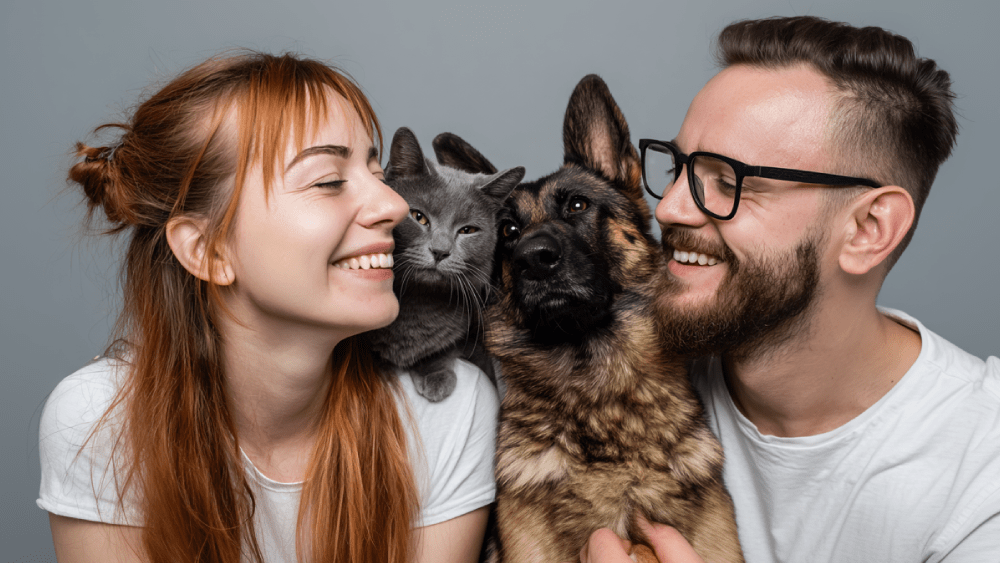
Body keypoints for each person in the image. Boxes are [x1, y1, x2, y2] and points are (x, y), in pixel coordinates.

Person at [37, 51, 498, 563]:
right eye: (328, 180)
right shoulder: (98, 421)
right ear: (207, 250)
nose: (392, 206)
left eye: (375, 170)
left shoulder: (446, 412)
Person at [585, 15, 1000, 563]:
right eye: (679, 167)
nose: (670, 208)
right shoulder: (608, 385)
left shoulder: (981, 470)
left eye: (728, 182)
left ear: (868, 230)